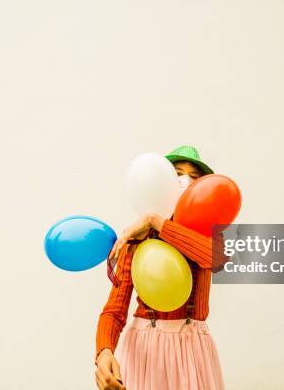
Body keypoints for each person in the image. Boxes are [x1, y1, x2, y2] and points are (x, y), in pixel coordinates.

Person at [94, 145, 228, 390]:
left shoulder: (208, 236)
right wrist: (104, 352)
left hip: (192, 349)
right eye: (177, 174)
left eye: (195, 177)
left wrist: (154, 220)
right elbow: (114, 310)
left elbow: (217, 259)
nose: (185, 181)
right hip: (145, 351)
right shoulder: (136, 240)